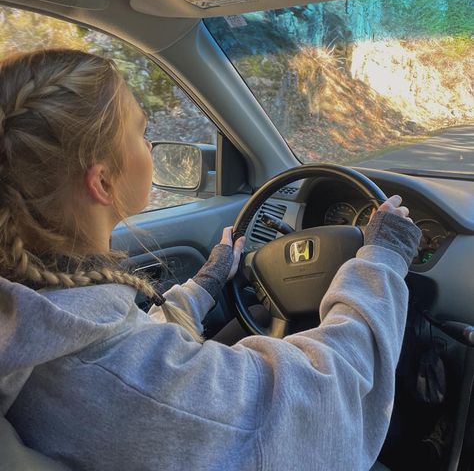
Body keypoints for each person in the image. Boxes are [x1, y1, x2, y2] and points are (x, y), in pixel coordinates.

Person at [0, 49, 421, 471]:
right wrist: (381, 258)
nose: (149, 146)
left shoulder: (32, 316)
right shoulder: (112, 373)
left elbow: (138, 347)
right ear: (103, 181)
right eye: (141, 132)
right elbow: (322, 397)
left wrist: (205, 284)